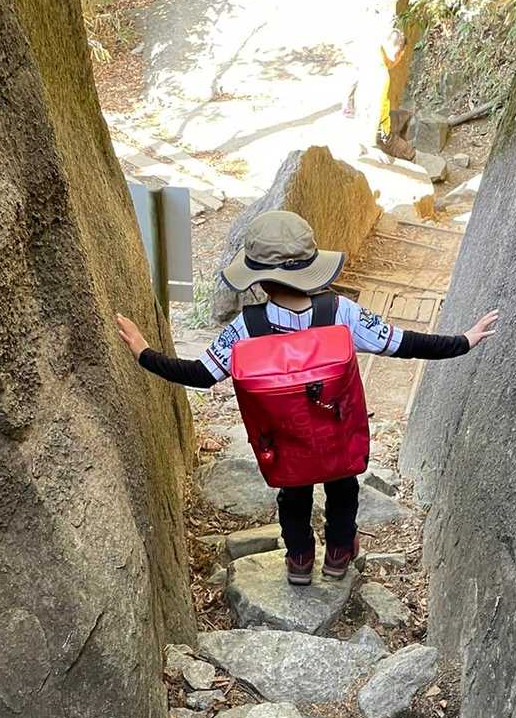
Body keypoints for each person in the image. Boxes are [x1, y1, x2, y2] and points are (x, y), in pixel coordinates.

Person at [116, 209, 496, 583]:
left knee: (293, 494)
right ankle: (339, 553)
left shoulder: (247, 326)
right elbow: (402, 343)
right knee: (343, 489)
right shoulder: (341, 312)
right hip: (337, 432)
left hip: (285, 439)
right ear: (312, 267)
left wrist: (145, 353)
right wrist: (461, 341)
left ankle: (299, 558)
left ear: (259, 280)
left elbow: (200, 374)